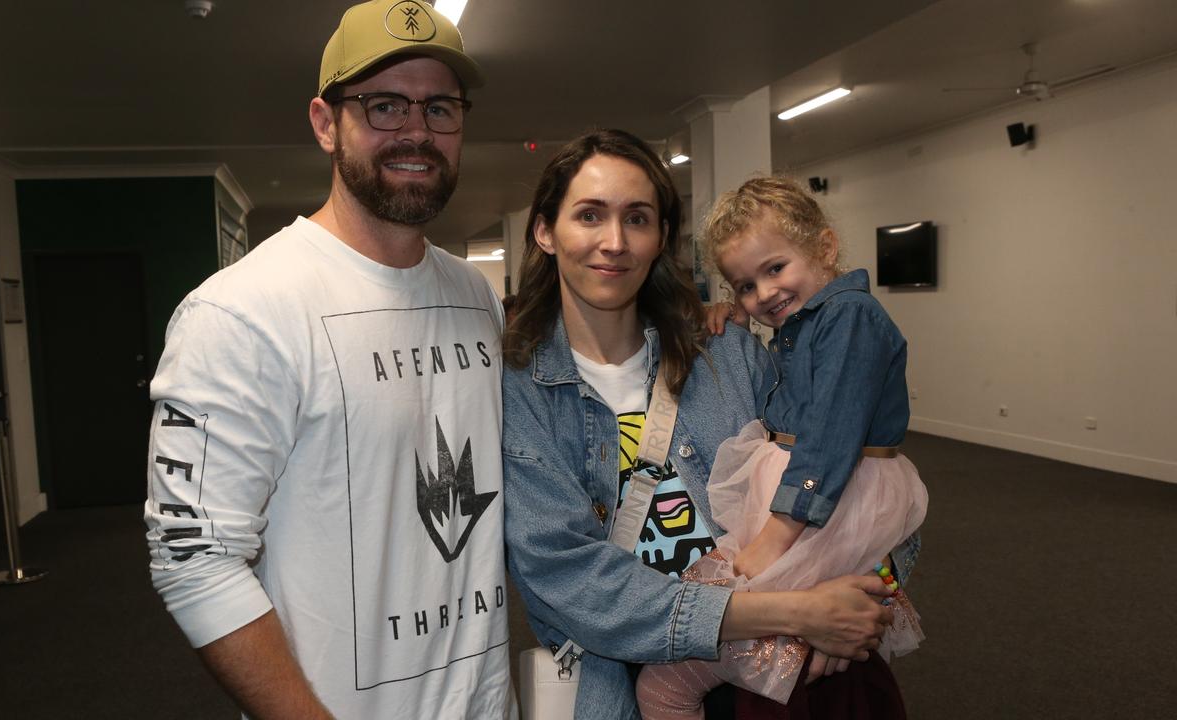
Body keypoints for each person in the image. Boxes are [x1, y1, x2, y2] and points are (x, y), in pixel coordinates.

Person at [143, 2, 511, 718]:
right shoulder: (242, 311)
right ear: (324, 122)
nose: (416, 131)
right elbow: (191, 559)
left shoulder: (474, 297)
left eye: (440, 108)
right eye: (383, 106)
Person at [502, 130, 901, 720]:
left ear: (661, 236)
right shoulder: (519, 391)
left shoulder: (728, 353)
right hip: (626, 679)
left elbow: (856, 467)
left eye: (637, 218)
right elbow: (568, 580)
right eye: (589, 215)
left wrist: (864, 600)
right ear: (545, 231)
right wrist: (799, 612)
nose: (614, 242)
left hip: (783, 676)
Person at [635, 176, 928, 718]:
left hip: (821, 511)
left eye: (775, 269)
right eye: (744, 286)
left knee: (674, 682)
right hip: (814, 511)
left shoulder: (851, 318)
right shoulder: (811, 322)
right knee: (787, 662)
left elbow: (830, 438)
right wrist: (736, 321)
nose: (763, 294)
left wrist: (776, 538)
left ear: (825, 247)